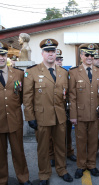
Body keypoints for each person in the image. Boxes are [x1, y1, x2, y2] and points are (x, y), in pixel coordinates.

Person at [23, 39, 73, 185]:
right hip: (41, 117)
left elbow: (67, 95)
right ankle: (44, 175)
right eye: (48, 51)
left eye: (53, 51)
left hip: (60, 116)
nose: (51, 54)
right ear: (42, 53)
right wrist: (30, 117)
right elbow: (27, 97)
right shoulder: (32, 72)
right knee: (43, 149)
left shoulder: (63, 72)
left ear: (56, 53)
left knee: (60, 146)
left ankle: (62, 170)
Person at [69, 43, 99, 178]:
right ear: (81, 56)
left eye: (92, 55)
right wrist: (73, 115)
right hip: (80, 113)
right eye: (87, 55)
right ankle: (81, 166)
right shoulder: (73, 72)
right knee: (80, 141)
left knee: (93, 141)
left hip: (95, 114)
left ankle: (92, 165)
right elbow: (71, 96)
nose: (90, 57)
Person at [0, 42, 32, 185]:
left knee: (18, 152)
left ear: (6, 56)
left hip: (15, 119)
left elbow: (25, 96)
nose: (1, 58)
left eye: (3, 54)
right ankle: (2, 180)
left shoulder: (18, 73)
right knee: (0, 155)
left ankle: (23, 178)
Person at [49, 49, 77, 167]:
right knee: (51, 135)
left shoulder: (66, 73)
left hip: (65, 108)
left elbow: (70, 91)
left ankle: (69, 151)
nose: (59, 61)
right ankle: (51, 155)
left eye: (61, 59)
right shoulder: (48, 72)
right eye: (57, 59)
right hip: (51, 108)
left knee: (67, 132)